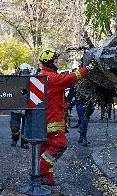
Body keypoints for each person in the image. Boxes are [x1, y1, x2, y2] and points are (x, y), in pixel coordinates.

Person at [38, 48, 88, 185]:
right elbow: (68, 79)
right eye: (56, 60)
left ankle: (47, 179)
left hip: (46, 120)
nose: (58, 62)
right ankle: (38, 172)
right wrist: (84, 71)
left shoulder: (44, 75)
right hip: (51, 120)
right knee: (60, 145)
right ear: (50, 63)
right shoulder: (51, 78)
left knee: (45, 149)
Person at [10, 63, 31, 149]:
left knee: (26, 128)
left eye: (26, 72)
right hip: (16, 109)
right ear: (20, 72)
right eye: (23, 72)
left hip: (28, 109)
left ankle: (25, 142)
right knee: (14, 127)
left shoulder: (33, 82)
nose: (24, 74)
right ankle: (14, 138)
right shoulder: (14, 82)